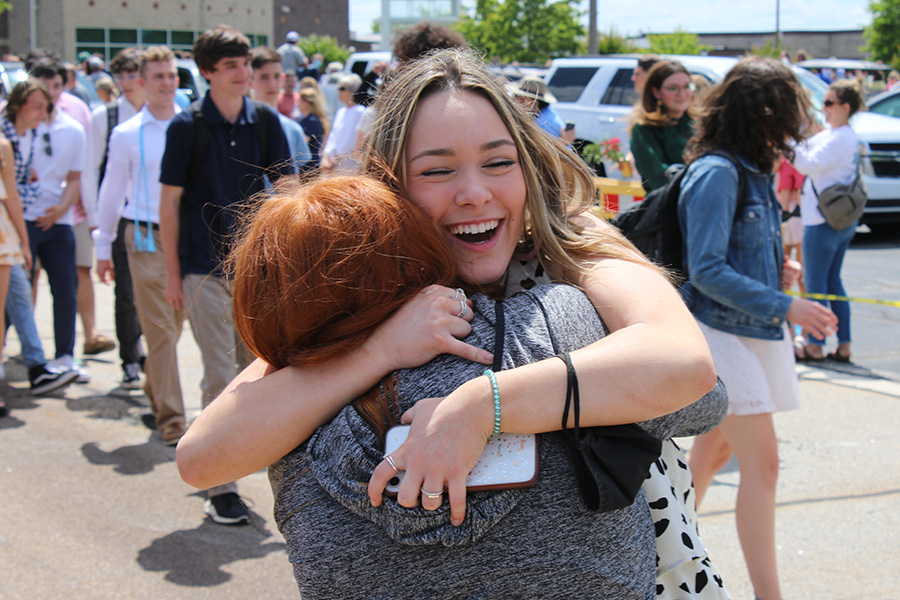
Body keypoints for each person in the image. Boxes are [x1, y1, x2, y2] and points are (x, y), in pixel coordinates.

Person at [177, 48, 722, 596]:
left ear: (527, 166)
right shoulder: (363, 292)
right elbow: (204, 457)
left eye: (499, 162)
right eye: (437, 170)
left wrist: (481, 406)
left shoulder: (576, 254)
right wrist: (378, 350)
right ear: (388, 185)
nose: (474, 193)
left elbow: (689, 370)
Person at [679, 57, 840, 600]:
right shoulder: (719, 172)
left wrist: (780, 272)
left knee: (715, 455)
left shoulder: (747, 169)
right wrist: (786, 304)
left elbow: (733, 257)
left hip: (744, 328)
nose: (796, 125)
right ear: (763, 114)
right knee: (763, 463)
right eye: (789, 112)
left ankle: (658, 549)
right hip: (719, 330)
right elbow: (705, 269)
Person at [158, 25, 292, 525]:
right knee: (218, 374)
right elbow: (169, 203)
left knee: (258, 370)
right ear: (209, 73)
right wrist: (172, 272)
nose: (244, 73)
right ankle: (221, 487)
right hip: (201, 268)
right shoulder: (187, 126)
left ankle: (257, 459)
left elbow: (289, 187)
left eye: (245, 64)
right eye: (231, 66)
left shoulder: (265, 120)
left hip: (254, 271)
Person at [94, 46, 187, 441]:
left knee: (177, 324)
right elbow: (111, 193)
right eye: (158, 76)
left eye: (171, 75)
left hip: (189, 238)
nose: (166, 82)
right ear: (141, 83)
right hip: (145, 237)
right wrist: (103, 246)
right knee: (161, 331)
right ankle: (172, 421)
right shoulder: (126, 134)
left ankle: (155, 384)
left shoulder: (192, 125)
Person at [0, 79, 79, 396]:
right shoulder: (6, 140)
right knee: (15, 297)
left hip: (13, 225)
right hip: (9, 227)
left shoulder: (26, 136)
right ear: (18, 104)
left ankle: (36, 367)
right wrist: (22, 239)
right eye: (36, 105)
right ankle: (35, 368)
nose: (41, 112)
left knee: (18, 296)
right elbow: (11, 197)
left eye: (46, 107)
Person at [791, 78, 867, 363]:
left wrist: (788, 142)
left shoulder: (840, 137)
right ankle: (843, 343)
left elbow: (807, 163)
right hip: (838, 219)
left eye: (828, 103)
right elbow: (809, 146)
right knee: (833, 282)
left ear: (845, 107)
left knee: (815, 283)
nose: (823, 108)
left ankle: (815, 343)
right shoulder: (839, 135)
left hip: (822, 221)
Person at [84, 47, 147, 388]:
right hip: (122, 217)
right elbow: (93, 168)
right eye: (120, 75)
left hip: (155, 218)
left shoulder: (168, 114)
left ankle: (151, 352)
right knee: (126, 291)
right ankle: (130, 358)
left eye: (132, 74)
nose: (127, 82)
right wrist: (99, 224)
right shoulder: (105, 117)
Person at [28, 59, 90, 382]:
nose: (49, 92)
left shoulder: (73, 128)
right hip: (21, 220)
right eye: (41, 84)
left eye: (55, 85)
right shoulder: (13, 124)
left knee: (65, 289)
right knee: (17, 292)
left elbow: (76, 177)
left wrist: (59, 209)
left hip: (60, 220)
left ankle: (65, 356)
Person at [629, 59, 694, 193]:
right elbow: (658, 179)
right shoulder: (644, 129)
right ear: (656, 92)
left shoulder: (700, 123)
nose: (681, 94)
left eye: (687, 86)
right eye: (673, 88)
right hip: (669, 206)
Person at [249, 47, 310, 175]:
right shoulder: (240, 126)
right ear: (250, 80)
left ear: (283, 79)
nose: (272, 84)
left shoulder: (293, 129)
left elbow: (295, 179)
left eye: (276, 76)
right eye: (264, 77)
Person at [320, 73, 364, 173]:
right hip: (334, 165)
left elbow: (354, 139)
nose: (338, 91)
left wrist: (338, 157)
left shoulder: (360, 111)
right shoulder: (341, 112)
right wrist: (326, 156)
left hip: (350, 165)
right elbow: (333, 136)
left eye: (342, 88)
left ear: (352, 91)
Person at [296, 87, 328, 168]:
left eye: (299, 101)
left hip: (310, 164)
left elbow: (303, 140)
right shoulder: (305, 119)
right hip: (306, 163)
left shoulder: (312, 121)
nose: (297, 104)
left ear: (306, 102)